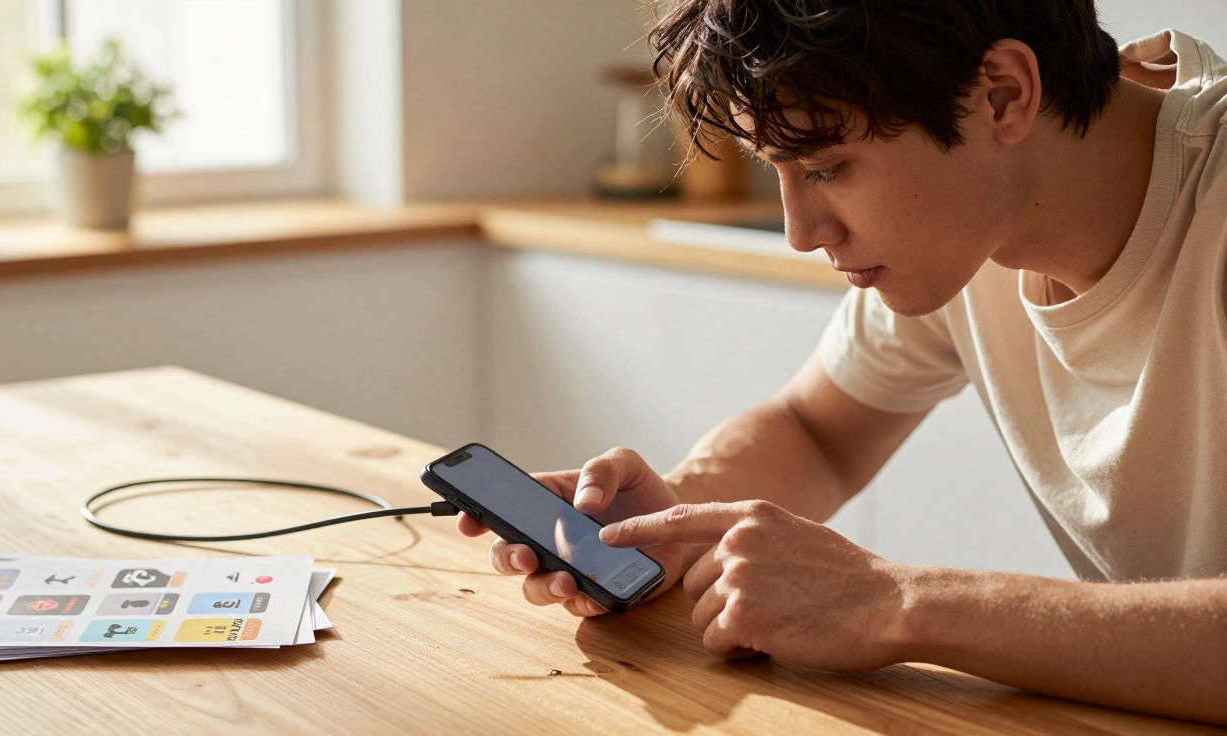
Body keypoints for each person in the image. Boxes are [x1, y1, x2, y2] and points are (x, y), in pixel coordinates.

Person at [458, 0, 1227, 724]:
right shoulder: (976, 216)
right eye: (776, 170)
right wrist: (676, 515)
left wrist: (896, 603)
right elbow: (818, 430)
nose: (799, 230)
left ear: (1001, 95)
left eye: (824, 167)